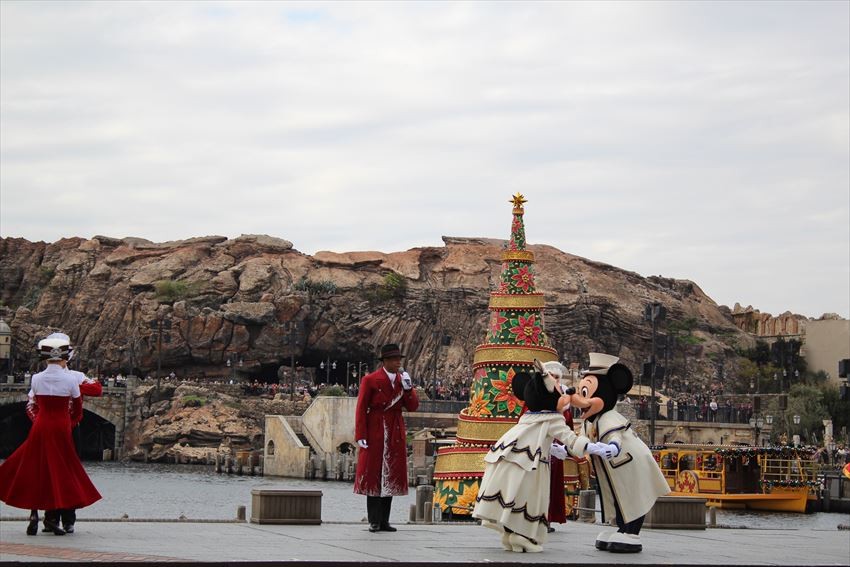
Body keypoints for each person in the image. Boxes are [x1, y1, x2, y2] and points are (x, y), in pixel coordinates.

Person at [473, 360, 592, 553]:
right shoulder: (550, 415)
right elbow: (569, 438)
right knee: (531, 496)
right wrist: (595, 448)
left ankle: (511, 533)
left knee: (517, 493)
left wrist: (556, 449)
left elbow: (541, 434)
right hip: (533, 462)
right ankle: (521, 535)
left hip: (518, 456)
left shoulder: (531, 416)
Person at [0, 333, 101, 535]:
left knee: (38, 468)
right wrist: (71, 421)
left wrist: (39, 422)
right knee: (63, 471)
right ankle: (53, 518)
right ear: (66, 355)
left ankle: (51, 516)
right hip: (64, 426)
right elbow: (79, 407)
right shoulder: (72, 378)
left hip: (43, 426)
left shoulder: (45, 378)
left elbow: (32, 403)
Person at [569, 353, 670, 553]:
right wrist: (563, 450)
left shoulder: (608, 417)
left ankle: (630, 533)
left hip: (631, 463)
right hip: (615, 468)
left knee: (631, 497)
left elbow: (616, 437)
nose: (580, 400)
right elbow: (579, 443)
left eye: (586, 393)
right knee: (618, 497)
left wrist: (612, 448)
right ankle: (620, 529)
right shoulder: (590, 421)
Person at [353, 343, 419, 533]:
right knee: (374, 474)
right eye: (395, 359)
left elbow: (413, 406)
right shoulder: (370, 380)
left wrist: (408, 389)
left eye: (400, 359)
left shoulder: (402, 380)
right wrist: (361, 434)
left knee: (390, 475)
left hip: (395, 429)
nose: (399, 362)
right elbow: (361, 408)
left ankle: (384, 521)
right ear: (386, 361)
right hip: (376, 427)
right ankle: (374, 520)